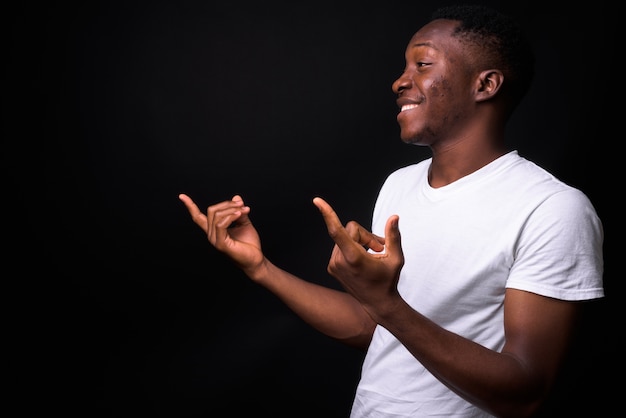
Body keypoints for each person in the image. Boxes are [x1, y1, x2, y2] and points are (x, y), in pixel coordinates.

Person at [179, 4, 604, 417]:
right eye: (404, 66)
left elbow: (524, 394)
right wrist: (261, 269)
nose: (399, 81)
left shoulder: (552, 209)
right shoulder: (400, 184)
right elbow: (374, 327)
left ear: (485, 84)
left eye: (423, 64)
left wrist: (387, 307)